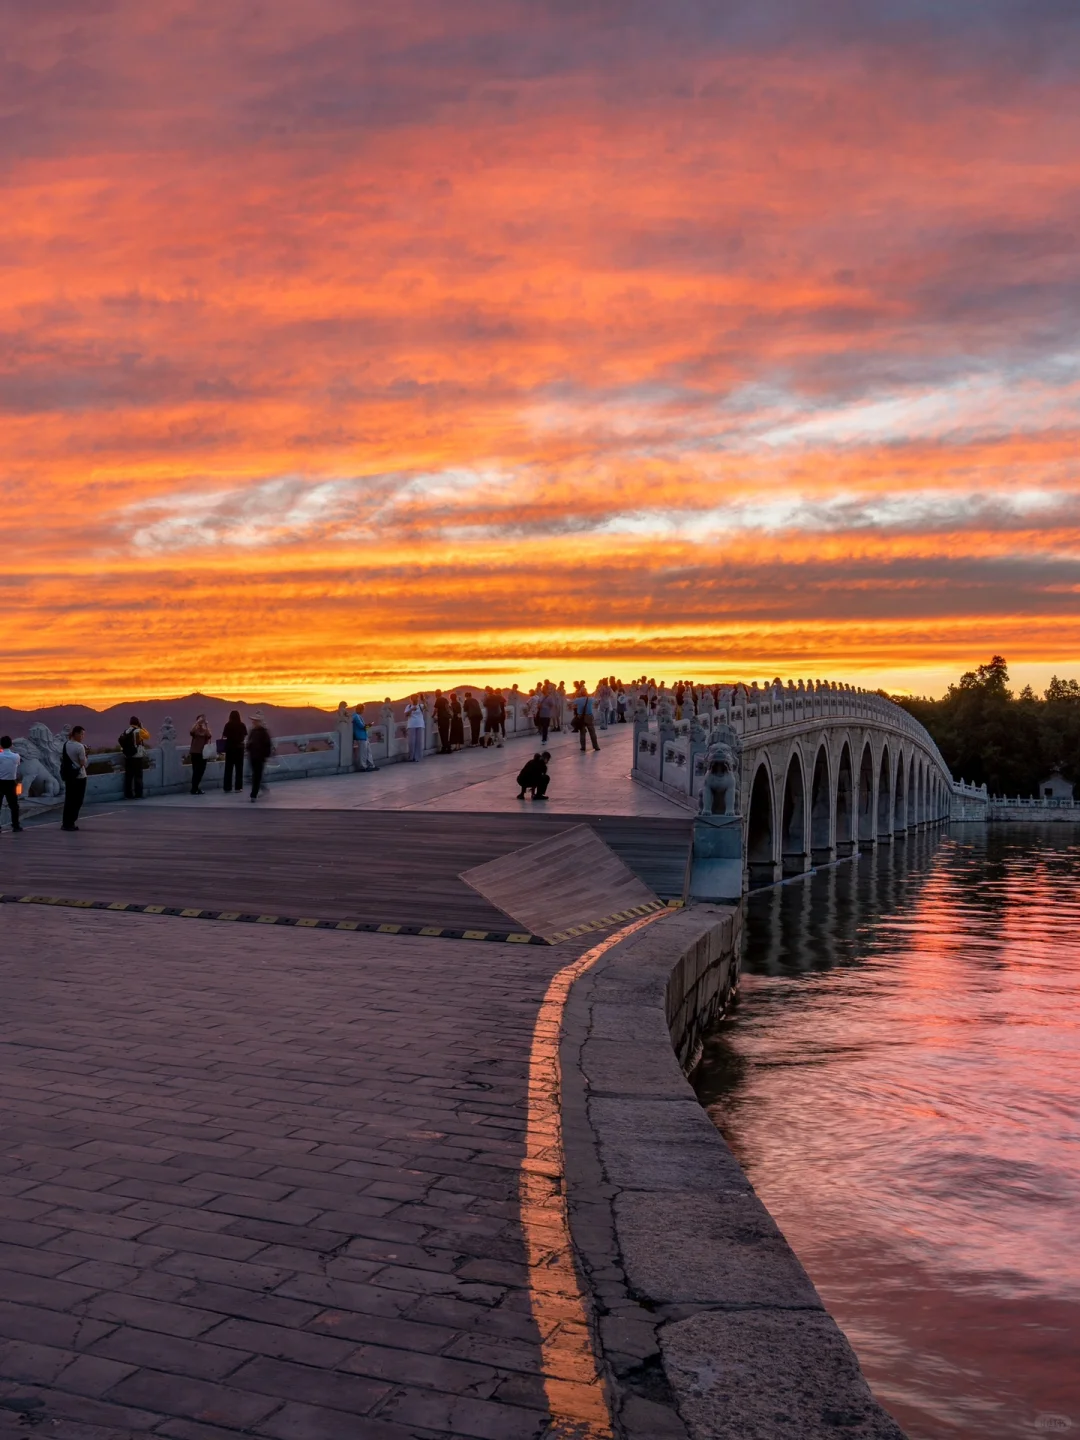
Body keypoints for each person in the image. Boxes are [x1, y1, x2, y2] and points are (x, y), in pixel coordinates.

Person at [61, 725, 88, 831]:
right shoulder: (79, 747)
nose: (82, 737)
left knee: (69, 799)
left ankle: (65, 822)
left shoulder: (66, 744)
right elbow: (83, 763)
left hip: (69, 775)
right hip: (79, 776)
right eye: (81, 734)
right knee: (78, 800)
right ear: (76, 734)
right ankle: (71, 822)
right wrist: (86, 754)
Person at [119, 715, 149, 799]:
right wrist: (142, 727)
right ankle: (138, 794)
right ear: (138, 723)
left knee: (128, 776)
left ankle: (128, 795)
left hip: (127, 756)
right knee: (138, 776)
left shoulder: (126, 731)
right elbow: (147, 736)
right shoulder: (138, 731)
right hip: (137, 756)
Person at [0, 736, 23, 833]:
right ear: (11, 745)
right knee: (14, 806)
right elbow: (17, 765)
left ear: (1, 745)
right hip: (11, 783)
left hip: (0, 782)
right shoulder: (16, 756)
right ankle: (16, 825)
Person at [246, 716, 273, 800]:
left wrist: (266, 756)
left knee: (257, 775)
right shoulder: (252, 731)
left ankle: (254, 794)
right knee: (255, 775)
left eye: (255, 721)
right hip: (252, 757)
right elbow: (249, 743)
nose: (253, 722)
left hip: (260, 757)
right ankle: (261, 790)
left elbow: (268, 745)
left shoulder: (264, 732)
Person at [222, 709, 247, 793]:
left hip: (230, 749)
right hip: (239, 749)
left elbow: (224, 736)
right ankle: (238, 787)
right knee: (239, 769)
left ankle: (227, 787)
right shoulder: (242, 725)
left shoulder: (228, 725)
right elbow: (245, 735)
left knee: (228, 768)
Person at [572, 683, 600, 752]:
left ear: (580, 693)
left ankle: (583, 747)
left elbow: (571, 704)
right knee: (592, 732)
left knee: (582, 732)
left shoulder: (578, 700)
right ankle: (596, 746)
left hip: (580, 717)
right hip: (589, 717)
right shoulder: (590, 699)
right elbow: (597, 701)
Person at [189, 713, 212, 794]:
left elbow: (209, 736)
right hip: (195, 753)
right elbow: (191, 732)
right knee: (196, 771)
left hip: (203, 753)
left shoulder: (205, 731)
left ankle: (195, 788)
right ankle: (194, 788)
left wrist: (206, 725)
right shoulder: (195, 731)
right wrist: (197, 723)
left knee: (200, 771)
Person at [352, 704, 376, 772]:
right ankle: (363, 766)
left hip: (364, 736)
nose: (363, 711)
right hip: (360, 736)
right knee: (363, 753)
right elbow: (362, 727)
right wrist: (369, 725)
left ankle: (371, 765)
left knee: (368, 751)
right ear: (360, 709)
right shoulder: (355, 716)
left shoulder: (359, 716)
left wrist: (368, 726)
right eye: (363, 710)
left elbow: (364, 727)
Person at [404, 695, 426, 761]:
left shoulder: (420, 706)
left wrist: (423, 700)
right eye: (414, 699)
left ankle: (417, 757)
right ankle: (411, 756)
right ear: (411, 699)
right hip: (411, 725)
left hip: (419, 724)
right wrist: (411, 709)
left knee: (419, 741)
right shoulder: (409, 706)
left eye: (416, 699)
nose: (415, 700)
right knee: (411, 742)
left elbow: (425, 707)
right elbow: (406, 714)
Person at [433, 689, 452, 754]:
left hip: (441, 719)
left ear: (436, 694)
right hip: (446, 719)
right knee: (446, 733)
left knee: (442, 734)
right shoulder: (445, 699)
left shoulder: (438, 700)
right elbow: (448, 708)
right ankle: (448, 748)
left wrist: (432, 716)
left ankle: (444, 748)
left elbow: (436, 709)